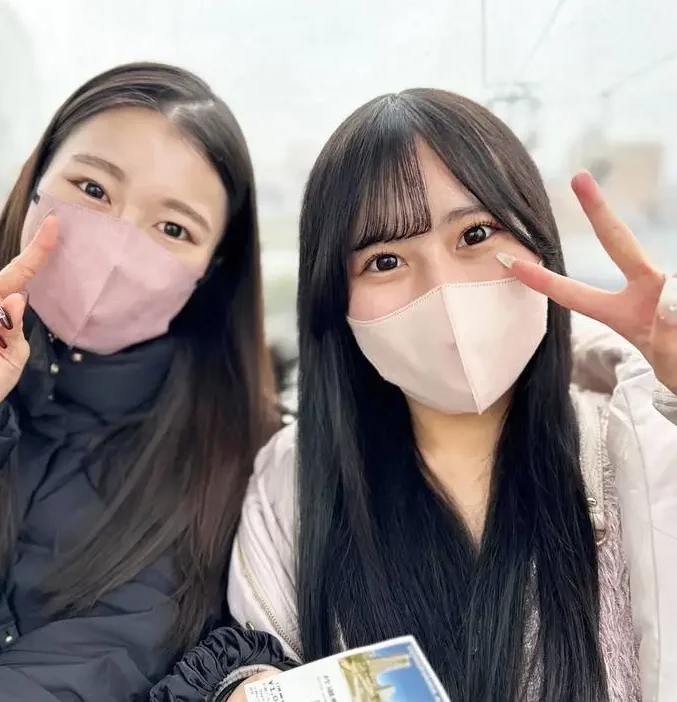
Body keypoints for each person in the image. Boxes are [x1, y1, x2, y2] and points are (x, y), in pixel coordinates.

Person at [153, 89, 677, 702]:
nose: (442, 288)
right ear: (335, 302)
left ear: (540, 241)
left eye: (475, 233)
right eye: (384, 261)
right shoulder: (291, 484)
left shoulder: (647, 444)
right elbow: (264, 661)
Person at [0, 62, 282, 701]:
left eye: (173, 228)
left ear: (212, 268)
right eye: (93, 188)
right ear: (36, 179)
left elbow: (97, 668)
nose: (118, 243)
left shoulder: (233, 461)